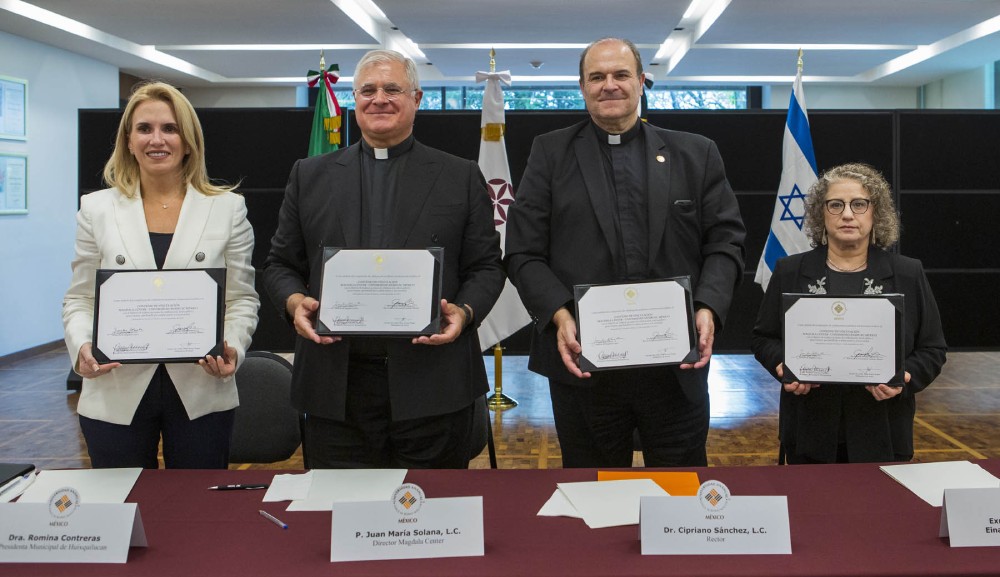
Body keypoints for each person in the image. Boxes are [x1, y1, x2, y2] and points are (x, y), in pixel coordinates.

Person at [504, 38, 746, 468]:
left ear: (641, 82)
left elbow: (725, 242)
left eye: (620, 75)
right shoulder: (550, 153)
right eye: (596, 77)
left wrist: (708, 307)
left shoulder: (696, 153)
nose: (609, 85)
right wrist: (560, 315)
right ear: (581, 87)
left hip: (676, 366)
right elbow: (523, 251)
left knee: (680, 490)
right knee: (591, 489)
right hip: (582, 364)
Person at [263, 50, 504, 469]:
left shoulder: (459, 175)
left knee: (430, 517)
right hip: (335, 387)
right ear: (354, 98)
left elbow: (486, 267)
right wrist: (293, 302)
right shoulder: (309, 175)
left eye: (393, 89)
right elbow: (280, 264)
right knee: (340, 516)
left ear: (417, 98)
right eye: (368, 90)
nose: (380, 99)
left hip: (434, 384)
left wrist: (464, 313)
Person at [63, 81, 260, 469]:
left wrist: (233, 345)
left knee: (198, 511)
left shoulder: (227, 209)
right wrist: (83, 347)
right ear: (129, 140)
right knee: (122, 505)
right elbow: (80, 299)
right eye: (144, 129)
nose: (157, 139)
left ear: (188, 141)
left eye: (169, 128)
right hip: (115, 388)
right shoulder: (96, 210)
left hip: (201, 388)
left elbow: (241, 300)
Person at [751, 163, 947, 463]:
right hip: (809, 428)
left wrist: (904, 378)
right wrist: (783, 367)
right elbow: (764, 338)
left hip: (883, 428)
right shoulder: (790, 271)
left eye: (859, 204)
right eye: (835, 205)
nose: (847, 214)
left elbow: (932, 349)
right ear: (820, 214)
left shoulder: (907, 273)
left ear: (875, 212)